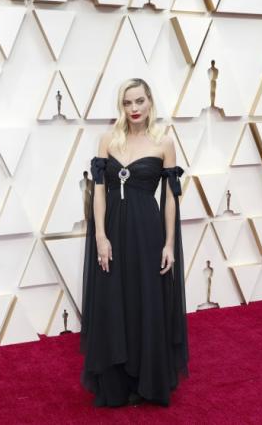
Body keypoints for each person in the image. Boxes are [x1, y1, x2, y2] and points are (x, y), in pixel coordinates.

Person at [80, 78, 189, 407]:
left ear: (150, 101)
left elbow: (170, 198)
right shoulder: (107, 140)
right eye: (128, 103)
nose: (134, 109)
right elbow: (99, 192)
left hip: (147, 233)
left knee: (146, 301)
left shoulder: (164, 143)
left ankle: (146, 379)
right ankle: (116, 382)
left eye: (139, 101)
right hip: (112, 231)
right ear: (121, 106)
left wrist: (169, 243)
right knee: (114, 300)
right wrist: (100, 235)